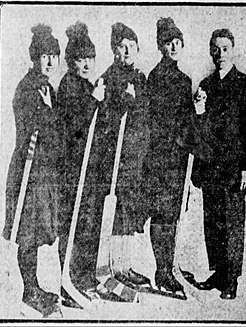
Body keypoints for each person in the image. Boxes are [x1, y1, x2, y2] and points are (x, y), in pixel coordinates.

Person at [191, 28, 246, 300]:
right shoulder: (205, 86)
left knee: (232, 223)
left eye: (225, 49)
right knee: (213, 221)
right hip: (211, 167)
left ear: (233, 51)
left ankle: (231, 278)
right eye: (216, 49)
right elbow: (199, 130)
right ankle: (219, 272)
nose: (220, 54)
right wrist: (198, 111)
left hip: (235, 169)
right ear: (211, 51)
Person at [2, 24, 61, 316]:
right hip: (28, 170)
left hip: (45, 172)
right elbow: (33, 131)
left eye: (54, 55)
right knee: (27, 231)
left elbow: (60, 132)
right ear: (33, 57)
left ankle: (34, 285)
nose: (50, 61)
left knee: (38, 232)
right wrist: (48, 111)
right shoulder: (27, 88)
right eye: (44, 55)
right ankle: (27, 291)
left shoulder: (47, 87)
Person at [91, 22, 150, 286]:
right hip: (114, 157)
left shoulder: (140, 77)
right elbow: (103, 120)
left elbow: (145, 115)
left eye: (131, 46)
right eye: (122, 46)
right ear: (115, 50)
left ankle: (125, 266)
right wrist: (122, 101)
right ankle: (111, 266)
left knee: (130, 210)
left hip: (134, 155)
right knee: (115, 211)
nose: (127, 51)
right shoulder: (108, 76)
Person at [139, 17, 194, 298]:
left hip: (179, 158)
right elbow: (153, 120)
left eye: (177, 41)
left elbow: (186, 119)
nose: (173, 46)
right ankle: (163, 271)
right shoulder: (155, 77)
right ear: (161, 46)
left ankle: (170, 266)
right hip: (160, 158)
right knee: (161, 215)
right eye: (168, 42)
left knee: (173, 214)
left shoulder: (185, 80)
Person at [57, 21, 105, 299]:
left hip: (91, 168)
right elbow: (74, 126)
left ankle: (85, 277)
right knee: (74, 223)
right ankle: (70, 278)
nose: (86, 63)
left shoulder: (88, 84)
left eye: (90, 58)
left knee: (89, 223)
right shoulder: (69, 86)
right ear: (71, 61)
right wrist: (93, 101)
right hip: (74, 168)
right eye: (80, 59)